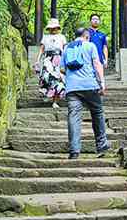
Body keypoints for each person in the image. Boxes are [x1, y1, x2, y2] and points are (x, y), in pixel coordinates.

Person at [60, 26, 110, 159]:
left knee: (74, 117)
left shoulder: (67, 48)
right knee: (97, 112)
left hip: (72, 88)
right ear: (86, 36)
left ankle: (74, 150)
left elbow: (62, 69)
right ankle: (101, 145)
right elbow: (97, 64)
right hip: (89, 85)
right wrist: (102, 83)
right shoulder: (90, 46)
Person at [35, 18, 66, 108]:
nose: (53, 29)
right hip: (48, 59)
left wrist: (65, 61)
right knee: (46, 77)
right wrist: (38, 60)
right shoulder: (45, 37)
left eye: (54, 28)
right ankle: (47, 93)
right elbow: (42, 49)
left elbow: (65, 50)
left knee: (58, 79)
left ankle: (55, 101)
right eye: (51, 28)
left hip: (58, 58)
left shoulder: (62, 37)